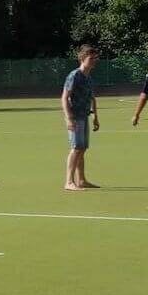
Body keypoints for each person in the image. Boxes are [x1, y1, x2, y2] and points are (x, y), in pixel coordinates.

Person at [62, 45, 100, 190]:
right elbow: (64, 97)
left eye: (95, 58)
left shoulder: (89, 77)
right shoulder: (74, 75)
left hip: (84, 116)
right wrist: (68, 117)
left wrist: (96, 116)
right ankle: (69, 181)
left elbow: (92, 98)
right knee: (76, 148)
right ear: (82, 59)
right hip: (75, 117)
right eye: (91, 58)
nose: (94, 61)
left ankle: (81, 180)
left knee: (82, 148)